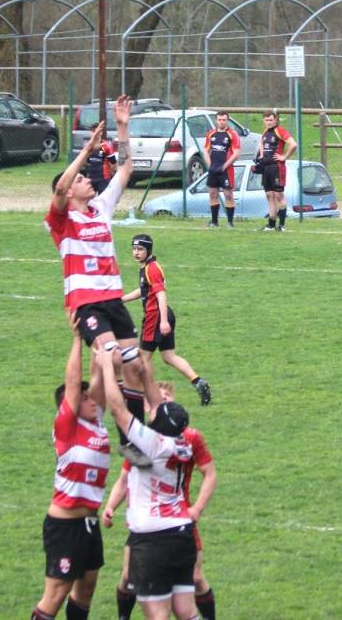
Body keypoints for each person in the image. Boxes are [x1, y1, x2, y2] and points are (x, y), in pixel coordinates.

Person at [46, 96, 158, 467]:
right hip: (88, 304)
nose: (87, 180)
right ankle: (99, 427)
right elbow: (61, 189)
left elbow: (126, 167)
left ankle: (134, 439)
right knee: (109, 358)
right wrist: (85, 151)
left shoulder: (102, 207)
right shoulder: (62, 221)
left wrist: (123, 126)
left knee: (136, 367)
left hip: (112, 301)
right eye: (81, 178)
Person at [95, 347, 198, 620]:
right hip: (182, 534)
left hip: (153, 540)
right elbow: (155, 406)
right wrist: (145, 372)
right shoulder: (183, 444)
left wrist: (109, 368)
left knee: (157, 615)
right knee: (186, 612)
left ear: (160, 424)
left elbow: (118, 411)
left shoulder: (152, 445)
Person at [104, 382, 218, 620]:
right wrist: (111, 506)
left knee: (161, 612)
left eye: (166, 399)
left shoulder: (149, 444)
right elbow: (125, 477)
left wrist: (113, 371)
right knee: (182, 607)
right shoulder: (181, 443)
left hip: (155, 531)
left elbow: (120, 420)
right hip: (178, 526)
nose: (162, 402)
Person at [31, 322, 110, 620]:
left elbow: (94, 378)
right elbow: (75, 384)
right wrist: (77, 339)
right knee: (56, 594)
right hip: (64, 526)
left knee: (86, 589)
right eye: (84, 399)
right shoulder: (67, 429)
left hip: (89, 525)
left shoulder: (96, 423)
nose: (91, 401)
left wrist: (96, 336)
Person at [122, 233, 212, 406]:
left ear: (148, 250)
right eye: (134, 249)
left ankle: (147, 397)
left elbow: (161, 294)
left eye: (140, 249)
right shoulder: (147, 267)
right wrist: (123, 299)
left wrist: (163, 321)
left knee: (144, 358)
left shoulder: (152, 268)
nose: (136, 252)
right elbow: (145, 290)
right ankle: (198, 382)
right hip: (161, 316)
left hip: (155, 317)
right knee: (168, 356)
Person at [254, 109, 297, 231]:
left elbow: (293, 144)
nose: (269, 122)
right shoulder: (265, 132)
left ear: (275, 120)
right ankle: (271, 225)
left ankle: (282, 225)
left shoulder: (280, 131)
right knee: (269, 195)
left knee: (278, 196)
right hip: (266, 168)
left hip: (277, 168)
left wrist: (284, 157)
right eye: (266, 120)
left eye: (271, 120)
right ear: (264, 120)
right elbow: (262, 144)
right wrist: (261, 157)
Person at [203, 111, 241, 228]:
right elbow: (205, 150)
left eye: (224, 120)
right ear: (216, 120)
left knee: (228, 194)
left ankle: (230, 222)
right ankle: (214, 222)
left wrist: (225, 166)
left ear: (227, 120)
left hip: (226, 170)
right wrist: (210, 165)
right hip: (213, 169)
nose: (221, 122)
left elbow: (237, 153)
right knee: (213, 194)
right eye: (219, 119)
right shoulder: (211, 134)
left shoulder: (232, 134)